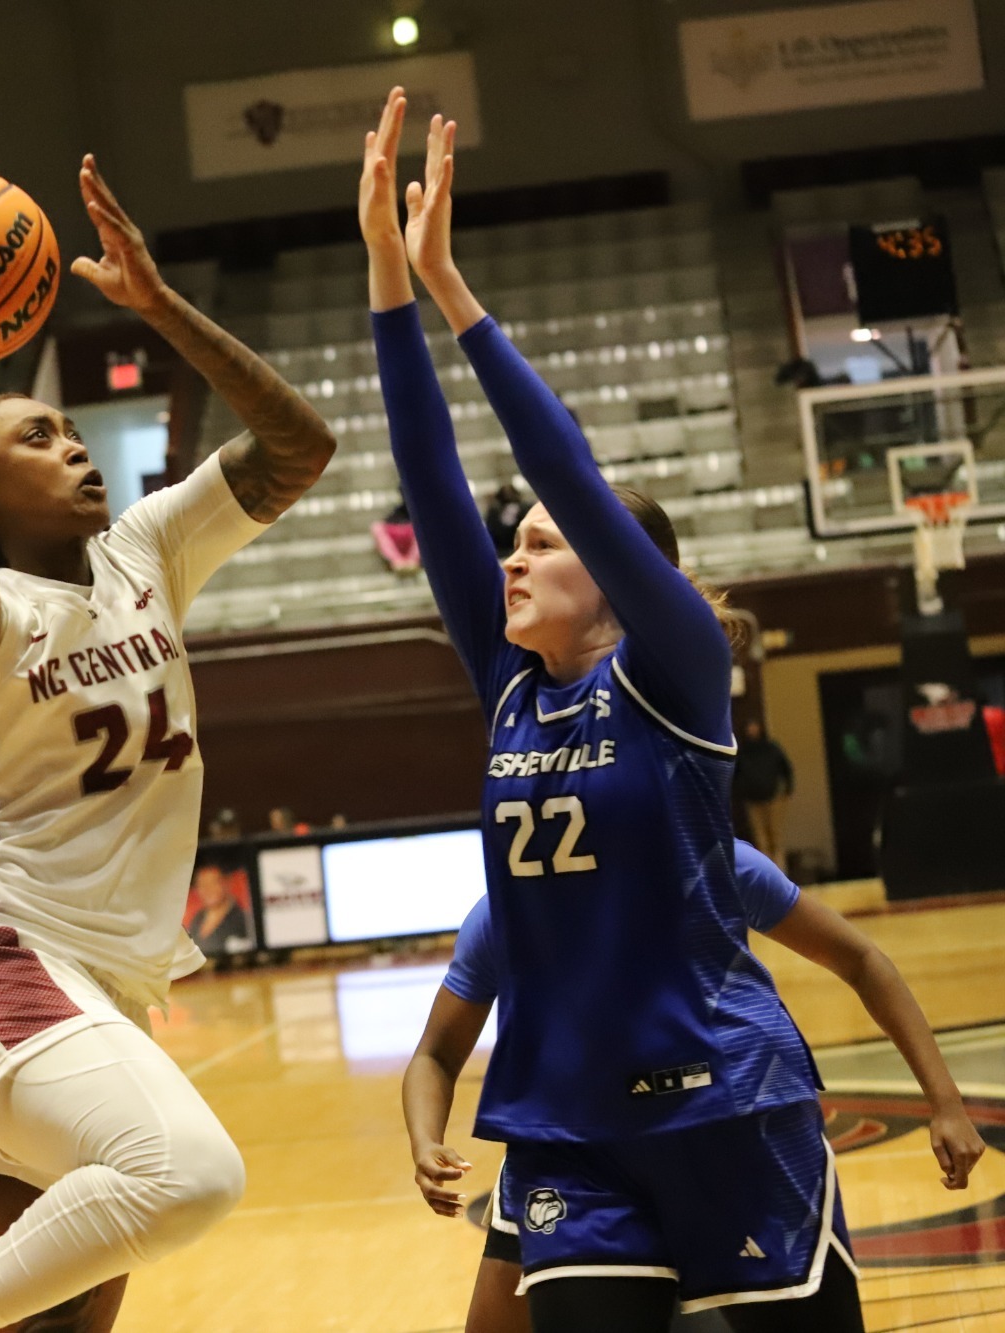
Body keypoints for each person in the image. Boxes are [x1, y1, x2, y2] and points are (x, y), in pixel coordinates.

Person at [364, 90, 860, 1329]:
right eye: (511, 545)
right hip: (570, 1126)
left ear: (615, 578)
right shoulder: (512, 688)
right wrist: (385, 285)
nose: (511, 560)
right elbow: (429, 485)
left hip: (726, 1104)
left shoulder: (676, 670)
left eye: (541, 543)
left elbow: (568, 477)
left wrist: (454, 295)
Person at [0, 152, 334, 1333]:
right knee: (190, 1174)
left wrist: (160, 310)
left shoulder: (144, 552)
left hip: (91, 985)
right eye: (34, 437)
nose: (73, 446)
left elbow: (297, 449)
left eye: (70, 429)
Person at [404, 841, 987, 1333]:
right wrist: (424, 1140)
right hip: (576, 1139)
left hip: (725, 1129)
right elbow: (435, 1052)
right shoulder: (509, 913)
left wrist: (947, 1103)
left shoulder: (713, 864)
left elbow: (861, 958)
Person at [734, 720, 795, 867]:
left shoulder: (772, 748)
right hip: (752, 800)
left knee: (776, 838)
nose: (752, 731)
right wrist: (740, 792)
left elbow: (786, 768)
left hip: (773, 798)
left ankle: (781, 874)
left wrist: (788, 789)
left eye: (755, 727)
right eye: (749, 728)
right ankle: (768, 876)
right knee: (761, 840)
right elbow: (735, 774)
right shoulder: (743, 752)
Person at [185, 865, 251, 961]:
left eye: (213, 883)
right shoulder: (196, 920)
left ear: (227, 883)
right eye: (202, 884)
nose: (207, 889)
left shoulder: (244, 921)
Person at [372, 493, 421, 571]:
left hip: (411, 529)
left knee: (420, 528)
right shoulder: (395, 513)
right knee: (377, 528)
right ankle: (398, 561)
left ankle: (411, 561)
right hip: (397, 530)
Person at [485, 481, 529, 560]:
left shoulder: (525, 508)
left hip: (521, 549)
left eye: (510, 493)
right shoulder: (494, 511)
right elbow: (491, 530)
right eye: (505, 493)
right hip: (502, 551)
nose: (508, 495)